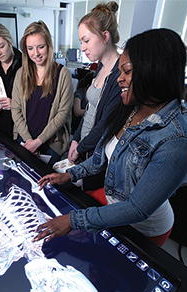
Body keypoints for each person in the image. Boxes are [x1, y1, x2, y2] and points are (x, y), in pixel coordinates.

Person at [34, 28, 187, 247]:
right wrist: (70, 175)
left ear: (154, 70)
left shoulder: (176, 142)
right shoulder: (128, 109)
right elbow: (100, 157)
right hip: (111, 204)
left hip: (143, 228)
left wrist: (74, 221)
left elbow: (137, 208)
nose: (120, 79)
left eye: (127, 71)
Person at [67, 1, 122, 191]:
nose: (82, 47)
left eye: (86, 40)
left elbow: (105, 123)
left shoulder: (120, 74)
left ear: (105, 36)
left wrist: (81, 147)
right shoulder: (100, 67)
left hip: (99, 156)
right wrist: (76, 138)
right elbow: (90, 108)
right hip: (85, 148)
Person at [11, 21, 73, 166]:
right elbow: (16, 109)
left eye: (41, 47)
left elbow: (63, 113)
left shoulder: (63, 74)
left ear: (49, 46)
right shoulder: (21, 74)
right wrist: (28, 140)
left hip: (51, 143)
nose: (36, 53)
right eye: (30, 48)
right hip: (25, 139)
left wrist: (38, 142)